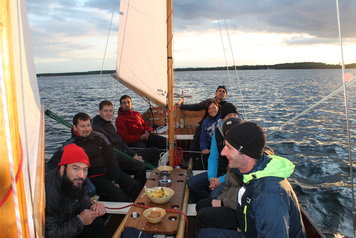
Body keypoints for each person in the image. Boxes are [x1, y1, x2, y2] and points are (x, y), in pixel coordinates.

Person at [199, 122, 306, 238]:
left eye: (228, 147)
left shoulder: (269, 194)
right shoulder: (250, 174)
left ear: (245, 152)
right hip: (250, 231)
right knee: (204, 234)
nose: (223, 152)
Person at [48, 112, 141, 202]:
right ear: (75, 128)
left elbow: (112, 158)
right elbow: (52, 164)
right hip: (93, 178)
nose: (86, 129)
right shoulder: (70, 145)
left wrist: (114, 179)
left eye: (88, 125)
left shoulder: (100, 137)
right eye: (82, 126)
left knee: (135, 186)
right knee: (118, 194)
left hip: (110, 171)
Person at [45, 143, 107, 238]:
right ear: (62, 169)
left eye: (85, 170)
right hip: (59, 231)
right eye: (75, 168)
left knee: (96, 222)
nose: (81, 175)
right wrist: (80, 220)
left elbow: (83, 201)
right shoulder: (49, 193)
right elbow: (50, 234)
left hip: (70, 223)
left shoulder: (74, 181)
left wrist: (93, 207)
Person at [92, 100, 161, 186]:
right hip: (116, 159)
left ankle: (152, 181)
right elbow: (112, 152)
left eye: (110, 111)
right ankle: (139, 190)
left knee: (154, 151)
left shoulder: (108, 124)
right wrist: (131, 158)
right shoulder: (97, 128)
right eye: (105, 111)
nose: (109, 113)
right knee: (140, 166)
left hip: (125, 153)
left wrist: (133, 154)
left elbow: (121, 143)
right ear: (100, 112)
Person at [187, 103, 242, 202]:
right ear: (223, 118)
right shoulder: (218, 133)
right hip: (220, 172)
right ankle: (208, 202)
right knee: (191, 183)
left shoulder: (242, 132)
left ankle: (211, 202)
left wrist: (220, 180)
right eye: (229, 115)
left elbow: (240, 170)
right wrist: (212, 178)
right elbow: (213, 157)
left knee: (213, 194)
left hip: (234, 177)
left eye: (235, 114)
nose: (233, 118)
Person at [176, 85, 229, 166]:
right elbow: (196, 106)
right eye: (219, 91)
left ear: (225, 95)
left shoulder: (226, 105)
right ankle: (191, 160)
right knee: (197, 138)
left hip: (219, 125)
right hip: (207, 123)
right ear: (216, 93)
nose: (221, 92)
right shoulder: (209, 101)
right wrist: (182, 106)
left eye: (223, 91)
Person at [199, 99, 222, 169]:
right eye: (209, 109)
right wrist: (204, 148)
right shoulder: (205, 121)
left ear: (217, 107)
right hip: (210, 149)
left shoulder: (223, 119)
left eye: (214, 108)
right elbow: (203, 137)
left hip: (221, 149)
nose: (212, 110)